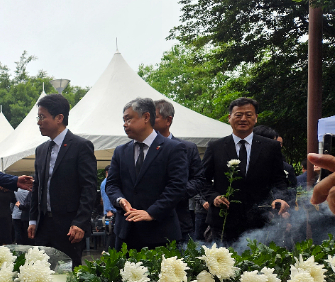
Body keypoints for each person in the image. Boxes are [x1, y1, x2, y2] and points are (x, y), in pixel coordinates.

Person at [201, 97, 289, 244]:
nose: (243, 119)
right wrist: (214, 197)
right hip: (223, 221)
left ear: (255, 118)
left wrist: (281, 198)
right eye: (238, 115)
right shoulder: (215, 147)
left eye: (248, 115)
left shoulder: (270, 147)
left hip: (260, 220)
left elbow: (279, 179)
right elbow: (202, 179)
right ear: (229, 118)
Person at [105, 98, 188, 250]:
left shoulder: (173, 148)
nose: (124, 124)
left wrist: (151, 212)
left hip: (160, 234)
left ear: (146, 117)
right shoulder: (120, 151)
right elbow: (111, 184)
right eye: (123, 120)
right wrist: (120, 200)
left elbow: (177, 187)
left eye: (128, 119)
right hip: (125, 234)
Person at [28, 94, 97, 267]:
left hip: (70, 228)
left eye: (42, 117)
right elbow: (37, 187)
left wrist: (80, 223)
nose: (38, 122)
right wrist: (33, 220)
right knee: (41, 274)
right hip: (43, 227)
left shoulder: (81, 146)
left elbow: (88, 188)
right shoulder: (41, 150)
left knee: (67, 277)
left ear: (59, 118)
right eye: (38, 117)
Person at [153, 99, 205, 243]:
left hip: (178, 221)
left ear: (168, 120)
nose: (148, 121)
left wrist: (174, 194)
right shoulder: (136, 149)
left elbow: (199, 180)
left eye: (153, 117)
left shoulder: (187, 148)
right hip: (145, 224)